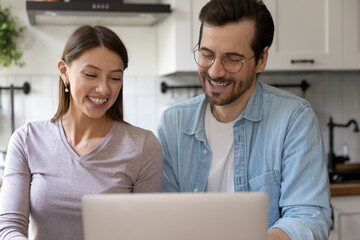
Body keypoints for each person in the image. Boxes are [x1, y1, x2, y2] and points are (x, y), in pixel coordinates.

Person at [157, 0, 332, 239]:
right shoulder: (173, 123)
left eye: (232, 59)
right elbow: (165, 215)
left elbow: (309, 216)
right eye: (207, 54)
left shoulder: (294, 119)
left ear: (261, 59)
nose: (215, 71)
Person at [0, 25, 163, 240]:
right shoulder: (27, 140)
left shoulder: (143, 146)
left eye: (115, 78)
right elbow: (9, 227)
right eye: (91, 74)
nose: (104, 89)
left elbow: (145, 232)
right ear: (64, 71)